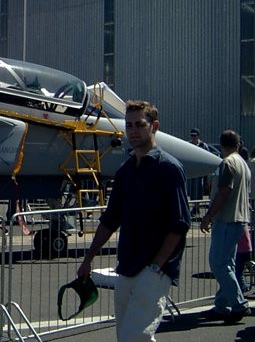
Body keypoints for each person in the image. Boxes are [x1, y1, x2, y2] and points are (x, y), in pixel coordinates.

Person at [77, 100, 190, 342]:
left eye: (139, 124)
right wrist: (88, 258)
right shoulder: (125, 171)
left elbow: (180, 223)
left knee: (135, 337)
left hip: (153, 271)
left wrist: (157, 266)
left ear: (154, 126)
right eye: (129, 126)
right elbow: (110, 220)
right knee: (127, 337)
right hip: (126, 267)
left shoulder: (169, 168)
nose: (133, 131)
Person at [199, 130, 252, 323]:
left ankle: (239, 304)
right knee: (227, 263)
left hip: (227, 219)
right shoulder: (243, 163)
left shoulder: (227, 163)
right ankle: (222, 305)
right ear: (238, 145)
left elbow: (224, 191)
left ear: (221, 145)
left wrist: (208, 216)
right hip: (240, 218)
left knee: (218, 263)